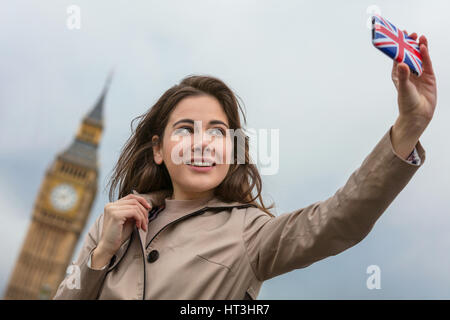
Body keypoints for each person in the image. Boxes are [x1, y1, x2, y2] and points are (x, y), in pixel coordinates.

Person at [53, 32, 436, 300]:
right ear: (158, 149)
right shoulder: (112, 223)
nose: (202, 142)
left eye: (218, 133)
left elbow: (341, 218)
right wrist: (99, 257)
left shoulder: (249, 232)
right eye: (186, 129)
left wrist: (408, 127)